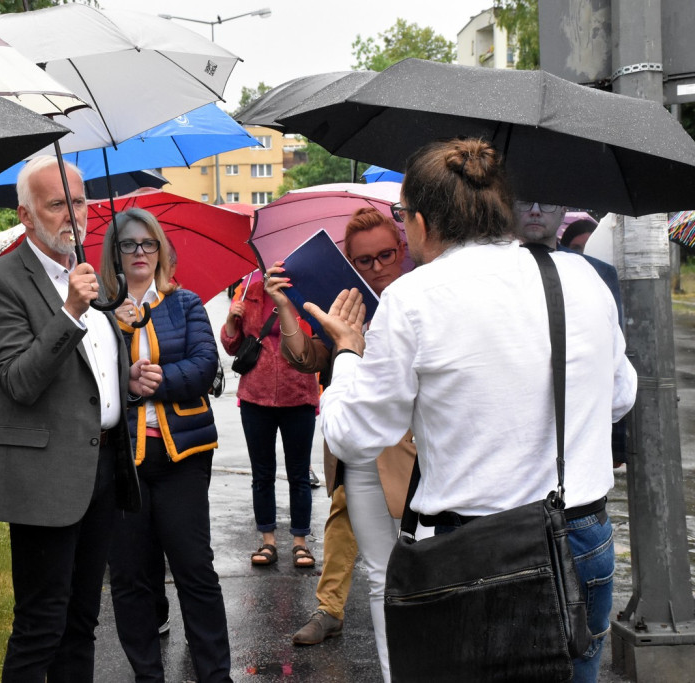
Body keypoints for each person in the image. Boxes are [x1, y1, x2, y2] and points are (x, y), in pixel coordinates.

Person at [307, 138, 637, 682]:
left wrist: (346, 352)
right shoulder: (578, 277)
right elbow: (620, 397)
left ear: (418, 222)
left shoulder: (413, 299)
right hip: (581, 534)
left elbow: (354, 436)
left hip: (476, 551)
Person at [0, 157, 161, 683]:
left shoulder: (93, 280)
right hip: (43, 479)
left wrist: (126, 379)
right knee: (41, 625)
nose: (73, 216)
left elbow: (83, 374)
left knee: (82, 622)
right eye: (57, 204)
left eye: (79, 202)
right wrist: (72, 311)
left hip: (101, 470)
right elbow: (20, 381)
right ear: (26, 217)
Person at [266, 208, 416, 681]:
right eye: (363, 261)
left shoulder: (419, 298)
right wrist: (288, 308)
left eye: (385, 256)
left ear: (403, 250)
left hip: (411, 455)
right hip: (357, 454)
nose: (376, 268)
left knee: (421, 572)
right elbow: (308, 358)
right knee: (378, 575)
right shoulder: (348, 303)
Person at [103, 207, 232, 682]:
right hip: (122, 461)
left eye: (148, 243)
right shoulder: (97, 310)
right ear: (113, 253)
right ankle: (147, 677)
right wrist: (124, 374)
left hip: (183, 458)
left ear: (161, 250)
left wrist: (156, 381)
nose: (139, 252)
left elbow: (204, 365)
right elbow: (88, 378)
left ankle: (216, 675)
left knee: (195, 570)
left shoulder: (186, 303)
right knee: (132, 578)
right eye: (128, 244)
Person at [514, 200, 628, 467]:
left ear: (564, 209)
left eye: (547, 203)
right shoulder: (485, 272)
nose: (535, 210)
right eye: (524, 202)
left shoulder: (597, 273)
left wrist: (616, 445)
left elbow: (614, 362)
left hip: (579, 436)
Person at [221, 274, 319, 570]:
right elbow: (233, 346)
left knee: (299, 474)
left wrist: (286, 305)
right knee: (262, 474)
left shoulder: (304, 291)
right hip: (256, 396)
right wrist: (229, 322)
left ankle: (300, 542)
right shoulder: (247, 290)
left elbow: (312, 340)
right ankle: (268, 540)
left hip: (298, 394)